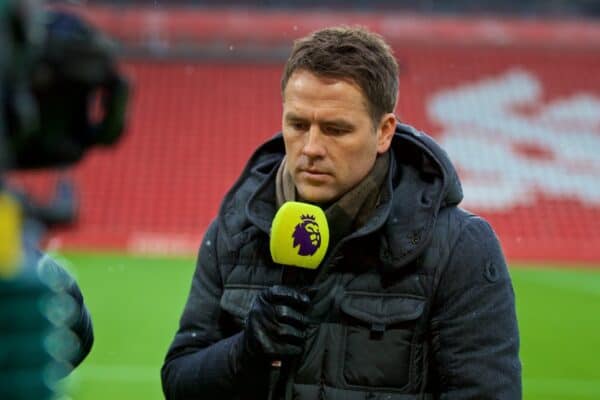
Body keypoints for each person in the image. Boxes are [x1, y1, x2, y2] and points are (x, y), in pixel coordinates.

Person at [161, 26, 521, 399]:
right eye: (298, 125)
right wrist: (244, 352)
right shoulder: (235, 230)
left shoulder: (459, 248)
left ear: (384, 132)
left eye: (335, 130)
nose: (311, 147)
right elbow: (178, 383)